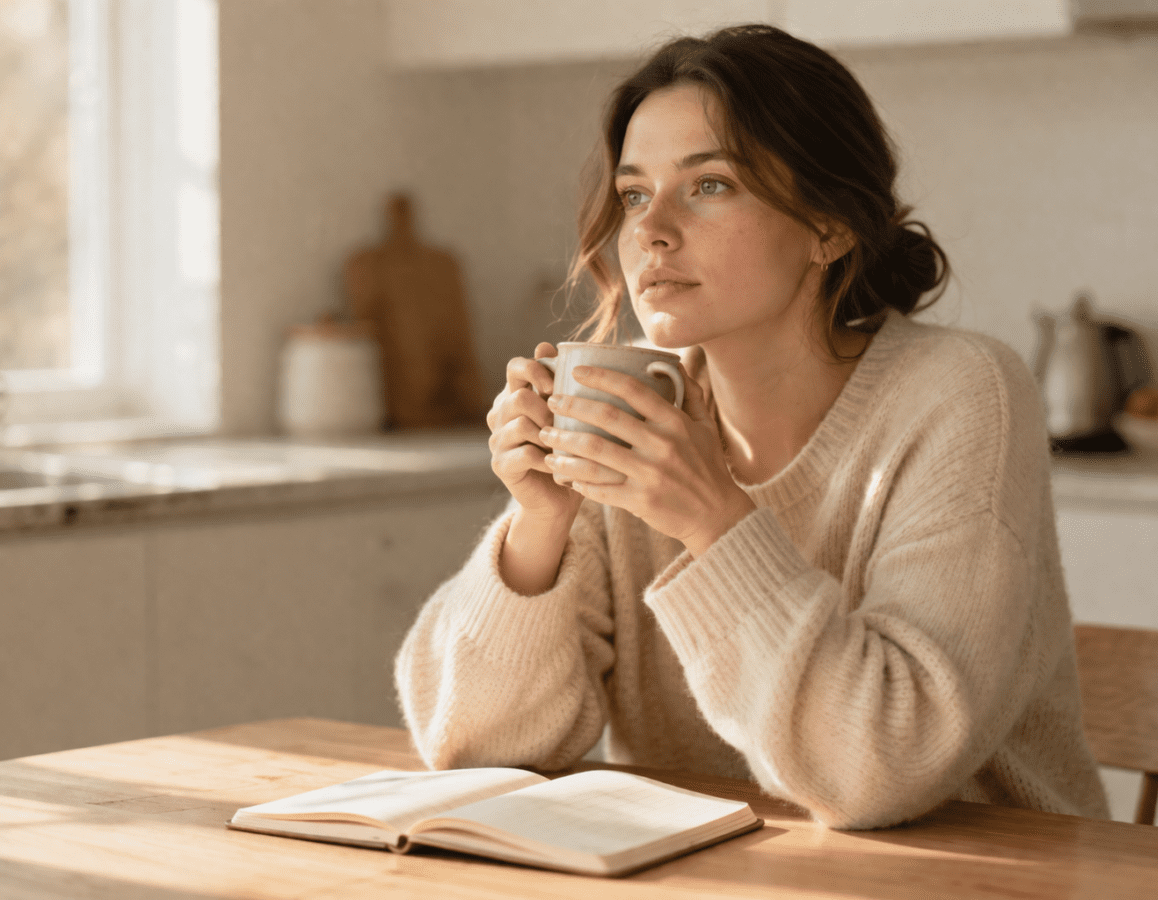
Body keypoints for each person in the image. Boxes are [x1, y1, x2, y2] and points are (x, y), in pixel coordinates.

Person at [395, 23, 1109, 829]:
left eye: (709, 186)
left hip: (991, 879)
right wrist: (539, 528)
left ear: (831, 227)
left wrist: (712, 518)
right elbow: (470, 749)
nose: (650, 229)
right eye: (634, 194)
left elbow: (875, 770)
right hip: (711, 875)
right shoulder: (635, 405)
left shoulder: (961, 394)